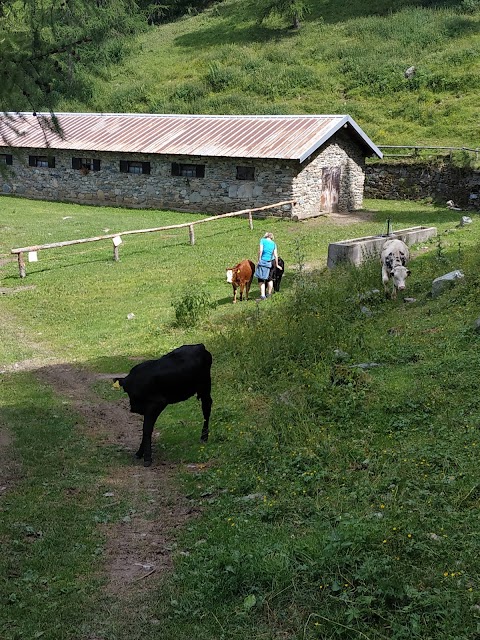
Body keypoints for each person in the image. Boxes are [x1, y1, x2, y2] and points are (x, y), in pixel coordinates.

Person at [254, 232, 282, 301]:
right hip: (271, 262)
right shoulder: (273, 244)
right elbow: (275, 255)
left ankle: (263, 296)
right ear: (271, 237)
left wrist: (259, 260)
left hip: (263, 261)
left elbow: (260, 251)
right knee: (270, 279)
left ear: (265, 236)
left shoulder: (262, 240)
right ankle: (269, 294)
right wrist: (277, 265)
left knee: (261, 279)